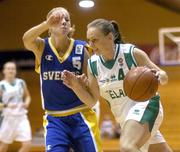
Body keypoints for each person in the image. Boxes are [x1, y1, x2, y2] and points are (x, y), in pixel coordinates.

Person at [61, 19, 173, 152]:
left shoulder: (131, 53)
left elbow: (162, 75)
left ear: (110, 37)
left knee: (127, 147)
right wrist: (75, 86)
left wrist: (162, 76)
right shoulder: (93, 64)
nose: (91, 45)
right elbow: (91, 101)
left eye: (94, 40)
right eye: (89, 40)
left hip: (146, 106)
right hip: (125, 119)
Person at [22, 7, 102, 152]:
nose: (64, 22)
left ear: (71, 25)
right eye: (58, 19)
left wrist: (78, 86)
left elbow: (92, 100)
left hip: (81, 116)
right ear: (50, 25)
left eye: (67, 19)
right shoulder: (41, 47)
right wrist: (46, 23)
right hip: (54, 120)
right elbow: (26, 40)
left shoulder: (81, 49)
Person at [0, 61, 32, 152]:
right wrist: (6, 105)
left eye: (13, 68)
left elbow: (28, 96)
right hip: (7, 118)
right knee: (4, 146)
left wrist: (26, 103)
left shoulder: (21, 82)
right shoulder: (1, 85)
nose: (11, 70)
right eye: (8, 68)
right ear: (4, 71)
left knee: (27, 144)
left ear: (16, 71)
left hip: (21, 117)